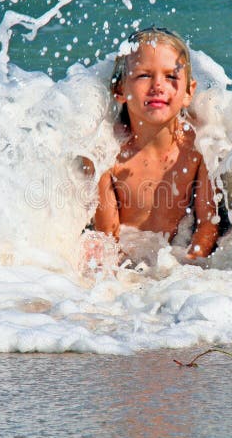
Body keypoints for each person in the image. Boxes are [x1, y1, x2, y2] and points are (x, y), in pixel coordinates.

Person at [92, 27, 219, 263]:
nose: (158, 85)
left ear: (189, 91)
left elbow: (207, 227)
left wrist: (189, 265)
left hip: (180, 261)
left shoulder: (199, 149)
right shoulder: (109, 156)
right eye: (143, 75)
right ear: (119, 89)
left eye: (171, 77)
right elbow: (107, 238)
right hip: (128, 263)